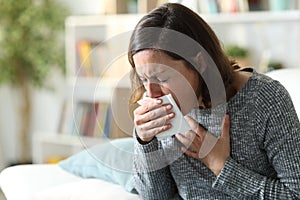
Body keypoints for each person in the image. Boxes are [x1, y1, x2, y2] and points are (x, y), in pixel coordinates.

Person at [127, 3, 300, 199]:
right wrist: (144, 141)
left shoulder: (264, 98)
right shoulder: (160, 104)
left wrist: (220, 166)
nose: (151, 93)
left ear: (199, 62)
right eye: (143, 78)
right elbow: (155, 196)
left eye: (162, 78)